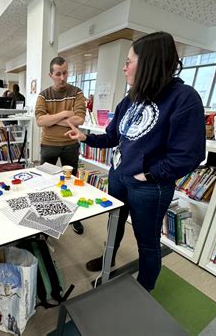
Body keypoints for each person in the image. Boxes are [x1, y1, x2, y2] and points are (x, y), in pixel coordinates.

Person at [65, 31, 206, 291]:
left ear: (148, 63)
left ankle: (144, 289)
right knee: (114, 224)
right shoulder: (132, 97)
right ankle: (109, 260)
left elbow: (190, 154)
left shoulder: (184, 98)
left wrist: (150, 175)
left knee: (147, 242)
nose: (124, 66)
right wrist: (85, 137)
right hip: (120, 176)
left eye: (129, 61)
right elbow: (112, 136)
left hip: (149, 187)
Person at [35, 56, 87, 235]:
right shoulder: (44, 95)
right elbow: (40, 121)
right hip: (48, 144)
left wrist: (53, 119)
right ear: (51, 74)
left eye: (65, 73)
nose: (62, 78)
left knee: (72, 182)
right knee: (46, 183)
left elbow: (79, 119)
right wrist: (65, 114)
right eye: (58, 74)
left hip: (70, 145)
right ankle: (46, 219)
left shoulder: (77, 92)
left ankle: (75, 218)